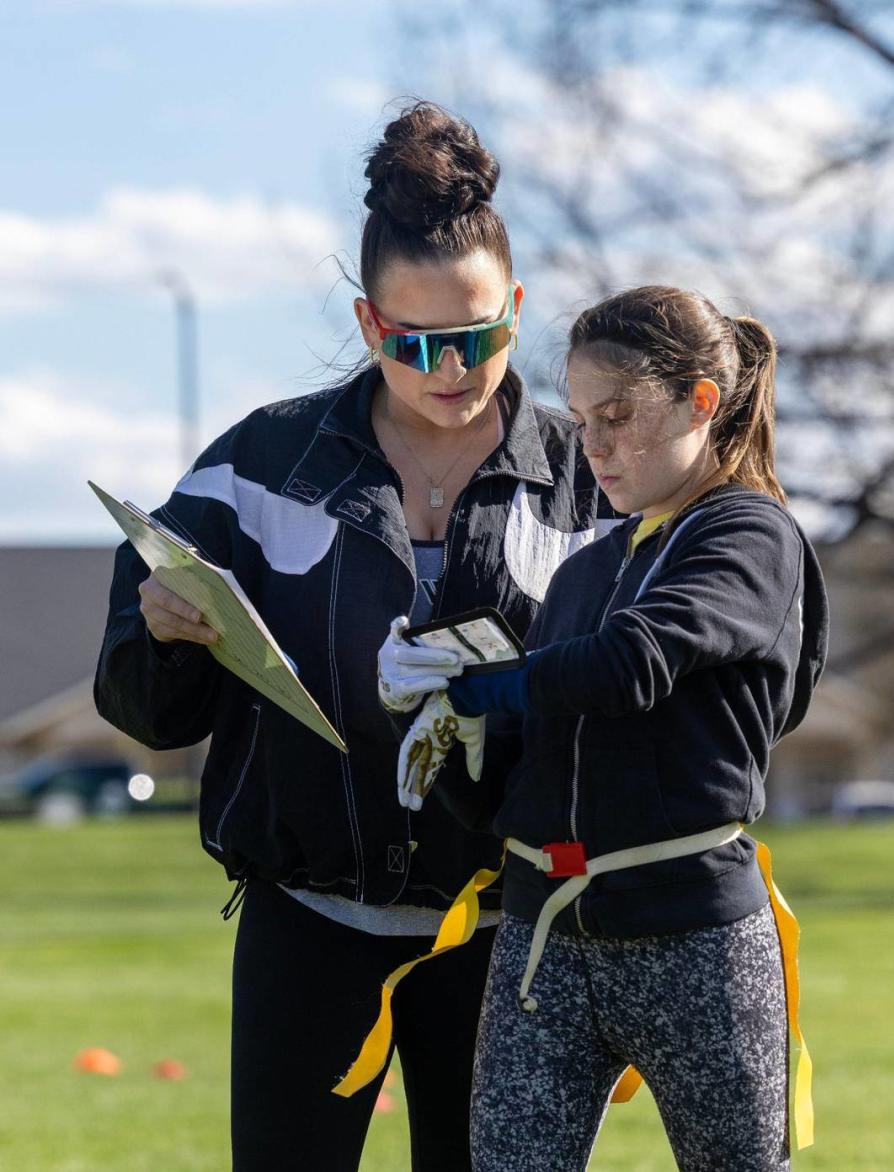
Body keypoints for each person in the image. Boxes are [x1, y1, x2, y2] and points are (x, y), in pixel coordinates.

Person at [94, 101, 613, 1172]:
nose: (451, 365)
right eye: (416, 341)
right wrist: (165, 635)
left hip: (508, 935)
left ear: (517, 309)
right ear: (371, 325)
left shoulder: (592, 483)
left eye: (477, 335)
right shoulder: (255, 466)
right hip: (305, 927)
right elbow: (142, 705)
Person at [384, 285, 829, 1172]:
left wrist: (487, 687)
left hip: (694, 935)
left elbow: (632, 664)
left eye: (618, 416)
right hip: (544, 939)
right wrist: (445, 735)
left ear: (702, 402)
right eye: (582, 419)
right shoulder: (586, 570)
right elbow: (518, 784)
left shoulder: (749, 534)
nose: (592, 445)